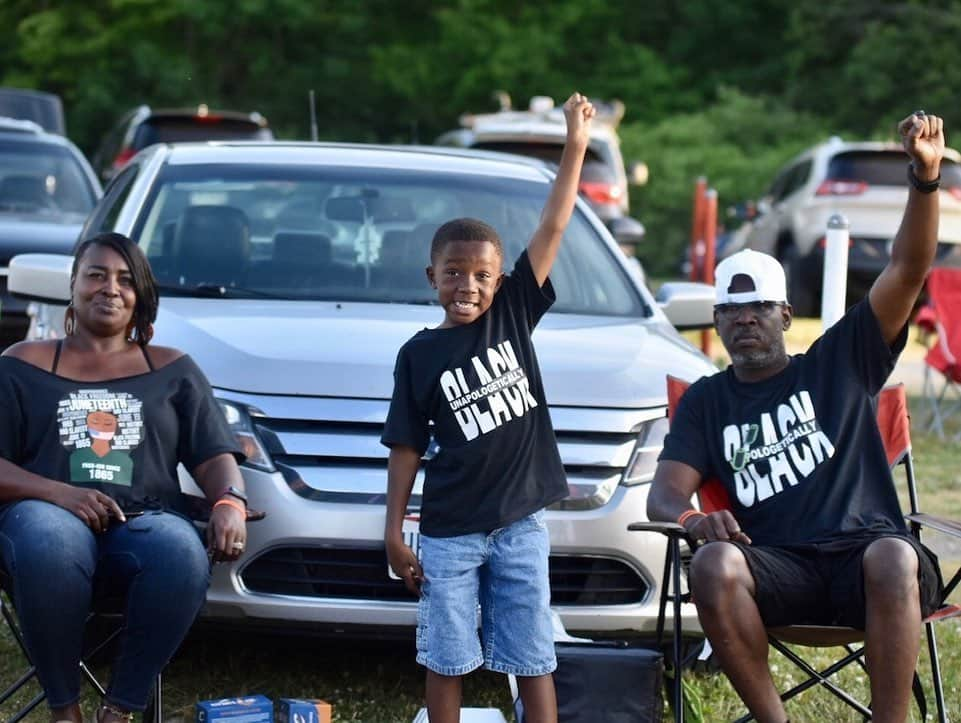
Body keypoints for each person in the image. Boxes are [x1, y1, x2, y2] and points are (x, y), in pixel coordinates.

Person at [647, 111, 946, 723]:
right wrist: (691, 520)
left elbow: (908, 270)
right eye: (730, 310)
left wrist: (925, 179)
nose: (744, 319)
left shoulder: (841, 359)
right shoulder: (707, 401)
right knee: (710, 563)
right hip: (775, 566)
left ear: (786, 315)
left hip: (865, 561)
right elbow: (665, 491)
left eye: (758, 307)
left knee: (895, 556)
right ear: (718, 322)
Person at [381, 93, 595, 723]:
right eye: (452, 273)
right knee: (446, 656)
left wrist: (575, 144)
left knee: (532, 654)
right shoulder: (417, 355)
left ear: (499, 281)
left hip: (520, 525)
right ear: (431, 278)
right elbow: (405, 446)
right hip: (447, 530)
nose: (465, 286)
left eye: (479, 275)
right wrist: (394, 529)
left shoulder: (513, 312)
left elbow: (554, 226)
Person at [0, 232, 250, 723]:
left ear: (141, 295)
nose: (109, 288)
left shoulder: (174, 369)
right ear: (72, 287)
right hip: (39, 524)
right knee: (52, 539)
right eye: (95, 274)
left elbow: (215, 456)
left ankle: (119, 710)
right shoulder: (20, 364)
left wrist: (230, 501)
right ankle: (64, 709)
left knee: (180, 550)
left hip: (143, 523)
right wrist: (59, 494)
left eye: (124, 279)